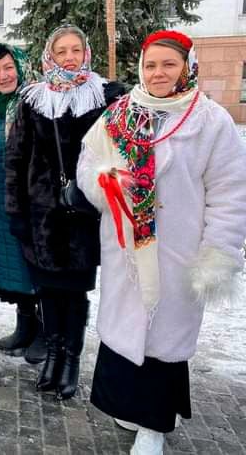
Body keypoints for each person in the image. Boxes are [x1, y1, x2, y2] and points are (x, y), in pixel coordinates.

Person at [77, 30, 246, 454]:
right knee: (125, 331)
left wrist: (218, 252)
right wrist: (106, 181)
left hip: (179, 252)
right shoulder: (119, 114)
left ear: (187, 67)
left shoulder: (210, 120)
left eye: (168, 64)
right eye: (151, 64)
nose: (158, 73)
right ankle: (125, 406)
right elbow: (89, 162)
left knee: (164, 338)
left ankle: (154, 425)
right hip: (127, 251)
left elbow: (230, 192)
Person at [5, 25, 124, 400]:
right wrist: (16, 212)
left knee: (74, 293)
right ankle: (53, 355)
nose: (69, 57)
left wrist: (119, 104)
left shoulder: (102, 95)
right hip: (40, 216)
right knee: (47, 291)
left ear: (86, 52)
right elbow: (16, 157)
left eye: (76, 49)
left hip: (83, 215)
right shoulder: (34, 99)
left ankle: (70, 360)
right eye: (62, 51)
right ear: (50, 56)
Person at [0, 43, 41, 359]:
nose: (2, 76)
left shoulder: (39, 101)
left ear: (21, 66)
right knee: (12, 262)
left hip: (32, 197)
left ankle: (46, 331)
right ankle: (25, 325)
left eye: (8, 67)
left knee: (37, 261)